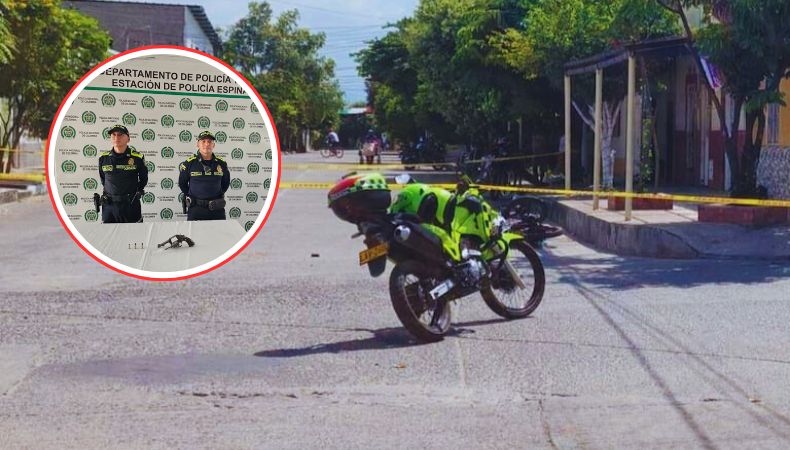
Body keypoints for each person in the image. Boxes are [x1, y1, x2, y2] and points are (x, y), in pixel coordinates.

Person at [97, 124, 148, 223]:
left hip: (130, 205)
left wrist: (133, 193)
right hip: (109, 206)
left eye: (120, 134)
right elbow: (103, 179)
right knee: (108, 232)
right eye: (113, 134)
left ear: (128, 138)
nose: (116, 137)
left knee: (134, 232)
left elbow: (143, 179)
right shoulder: (103, 158)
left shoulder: (137, 158)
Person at [178, 130, 230, 221]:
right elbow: (182, 184)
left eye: (209, 141)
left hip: (217, 209)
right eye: (203, 141)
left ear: (213, 145)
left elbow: (225, 183)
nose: (207, 144)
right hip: (196, 209)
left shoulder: (221, 163)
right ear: (198, 144)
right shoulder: (189, 163)